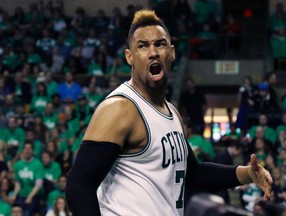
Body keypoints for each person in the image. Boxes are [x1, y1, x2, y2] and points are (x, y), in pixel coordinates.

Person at [65, 10, 273, 216]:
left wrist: (247, 174)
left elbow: (193, 174)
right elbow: (79, 184)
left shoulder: (171, 111)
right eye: (143, 46)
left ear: (172, 53)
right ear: (130, 57)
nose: (153, 52)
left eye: (160, 44)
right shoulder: (121, 108)